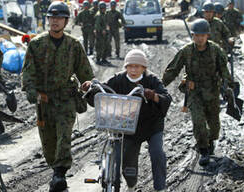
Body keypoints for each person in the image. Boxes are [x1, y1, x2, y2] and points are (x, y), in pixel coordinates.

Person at [21, 2, 94, 191]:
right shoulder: (36, 44)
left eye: (59, 18)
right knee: (48, 144)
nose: (55, 21)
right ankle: (56, 170)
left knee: (64, 137)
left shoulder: (73, 45)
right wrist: (32, 93)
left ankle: (59, 174)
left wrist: (90, 85)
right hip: (44, 102)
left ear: (66, 21)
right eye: (52, 18)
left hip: (66, 99)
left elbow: (85, 73)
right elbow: (28, 74)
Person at [83, 49, 171, 192]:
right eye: (130, 66)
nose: (134, 69)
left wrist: (153, 95)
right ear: (126, 67)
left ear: (144, 68)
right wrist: (90, 89)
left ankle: (160, 188)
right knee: (127, 161)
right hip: (128, 126)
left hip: (152, 125)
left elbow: (166, 98)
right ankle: (131, 186)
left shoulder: (152, 79)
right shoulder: (118, 79)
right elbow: (102, 91)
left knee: (157, 153)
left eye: (137, 66)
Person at [162, 19, 234, 166]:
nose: (200, 38)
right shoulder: (186, 51)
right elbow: (173, 70)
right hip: (194, 92)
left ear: (207, 36)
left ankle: (210, 141)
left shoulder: (216, 50)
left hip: (212, 91)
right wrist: (160, 86)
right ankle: (203, 149)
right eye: (197, 35)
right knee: (198, 120)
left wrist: (228, 87)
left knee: (214, 127)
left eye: (203, 35)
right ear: (193, 36)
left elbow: (224, 71)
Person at [94, 1, 111, 65]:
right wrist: (102, 30)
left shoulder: (105, 14)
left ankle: (104, 59)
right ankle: (98, 59)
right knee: (99, 46)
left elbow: (106, 22)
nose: (103, 9)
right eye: (102, 8)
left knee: (106, 45)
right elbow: (97, 25)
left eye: (104, 8)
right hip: (100, 33)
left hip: (105, 33)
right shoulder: (99, 15)